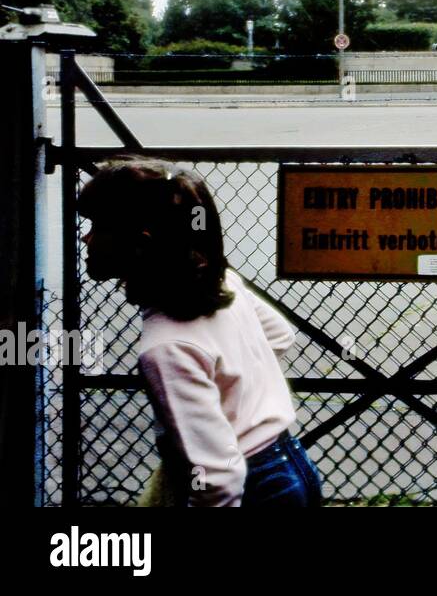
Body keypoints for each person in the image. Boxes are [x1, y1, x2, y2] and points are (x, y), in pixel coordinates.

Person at [78, 158, 323, 507]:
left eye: (98, 226)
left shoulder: (165, 348)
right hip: (291, 464)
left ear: (140, 244)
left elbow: (218, 481)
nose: (86, 236)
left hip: (254, 488)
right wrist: (234, 390)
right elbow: (280, 335)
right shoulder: (221, 283)